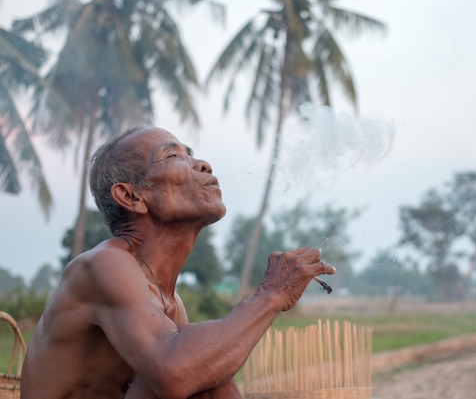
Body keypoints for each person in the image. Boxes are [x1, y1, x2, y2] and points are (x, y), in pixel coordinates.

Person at [20, 127, 335, 399]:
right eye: (172, 157)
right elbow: (175, 373)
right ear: (131, 197)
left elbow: (188, 369)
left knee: (205, 374)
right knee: (199, 376)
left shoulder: (170, 302)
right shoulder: (103, 265)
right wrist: (272, 293)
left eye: (191, 153)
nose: (202, 164)